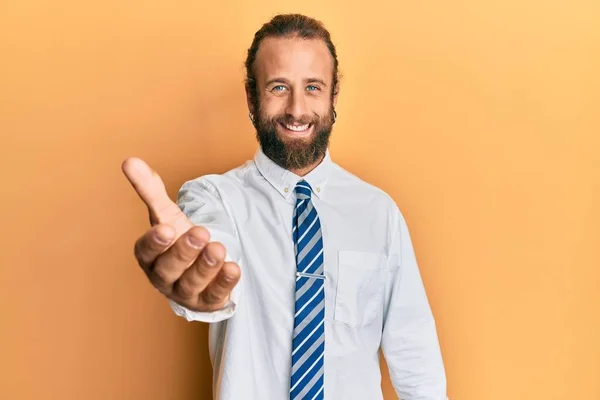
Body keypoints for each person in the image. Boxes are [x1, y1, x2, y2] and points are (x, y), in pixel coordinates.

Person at [122, 13, 448, 400]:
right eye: (279, 87)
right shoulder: (213, 197)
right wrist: (204, 280)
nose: (296, 109)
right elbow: (214, 252)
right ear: (251, 95)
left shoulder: (379, 212)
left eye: (313, 87)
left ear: (333, 95)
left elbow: (415, 355)